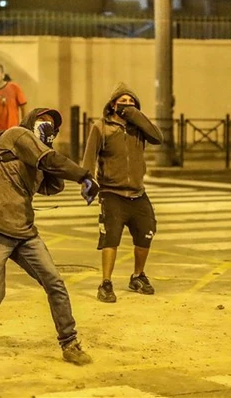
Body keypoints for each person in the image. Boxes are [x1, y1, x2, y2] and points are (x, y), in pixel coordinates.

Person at [0, 107, 100, 366]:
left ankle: (69, 343)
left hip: (24, 232)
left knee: (55, 282)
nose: (46, 126)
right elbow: (50, 162)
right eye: (42, 121)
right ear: (30, 122)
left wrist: (46, 152)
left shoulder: (36, 157)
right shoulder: (16, 135)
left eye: (51, 126)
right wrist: (82, 175)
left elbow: (53, 184)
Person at [81, 83, 163, 304]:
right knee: (110, 238)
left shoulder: (139, 129)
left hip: (138, 193)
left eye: (131, 103)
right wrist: (87, 181)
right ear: (113, 105)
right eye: (122, 102)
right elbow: (89, 157)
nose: (127, 106)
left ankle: (137, 276)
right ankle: (106, 282)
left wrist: (138, 116)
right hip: (112, 193)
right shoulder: (101, 127)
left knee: (146, 233)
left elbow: (158, 137)